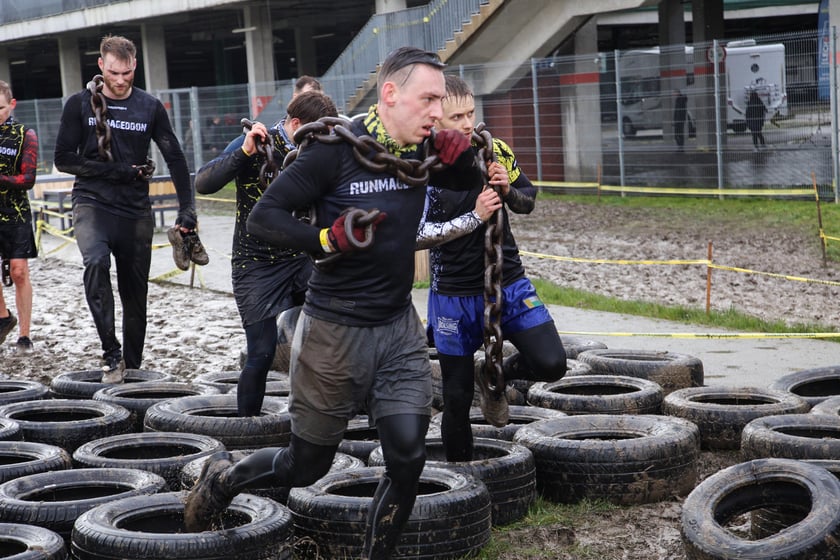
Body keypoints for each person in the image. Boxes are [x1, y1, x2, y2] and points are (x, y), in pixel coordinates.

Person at [184, 46, 482, 559]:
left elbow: (464, 183)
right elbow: (265, 217)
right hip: (332, 334)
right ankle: (224, 478)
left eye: (442, 100)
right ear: (390, 94)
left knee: (408, 460)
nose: (438, 110)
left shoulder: (422, 149)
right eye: (429, 99)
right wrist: (326, 239)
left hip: (397, 332)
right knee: (307, 466)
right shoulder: (334, 148)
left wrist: (466, 163)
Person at [423, 74, 567, 462]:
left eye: (471, 113)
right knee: (454, 398)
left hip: (509, 280)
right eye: (457, 117)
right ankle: (462, 483)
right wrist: (473, 215)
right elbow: (418, 235)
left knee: (552, 363)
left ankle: (491, 375)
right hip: (452, 293)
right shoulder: (422, 163)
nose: (468, 123)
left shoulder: (494, 148)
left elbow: (528, 202)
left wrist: (507, 191)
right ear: (435, 118)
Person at [54, 34, 201, 383]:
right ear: (101, 66)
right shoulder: (79, 105)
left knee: (136, 294)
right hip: (92, 202)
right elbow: (63, 159)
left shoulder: (149, 107)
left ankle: (132, 369)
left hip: (134, 211)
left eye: (127, 74)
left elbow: (176, 158)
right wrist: (114, 170)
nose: (120, 81)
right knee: (96, 263)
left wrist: (188, 210)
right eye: (114, 73)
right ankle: (110, 354)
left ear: (135, 67)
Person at [194, 91, 338, 417]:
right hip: (254, 265)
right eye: (314, 135)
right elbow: (203, 184)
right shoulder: (257, 143)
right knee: (261, 351)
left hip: (298, 259)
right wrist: (243, 153)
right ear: (296, 125)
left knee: (340, 324)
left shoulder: (316, 153)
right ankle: (247, 427)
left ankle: (346, 411)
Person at [0, 80, 38, 353]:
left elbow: (28, 178)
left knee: (19, 272)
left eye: (0, 108)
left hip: (16, 212)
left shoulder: (25, 134)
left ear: (11, 105)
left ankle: (24, 334)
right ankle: (3, 317)